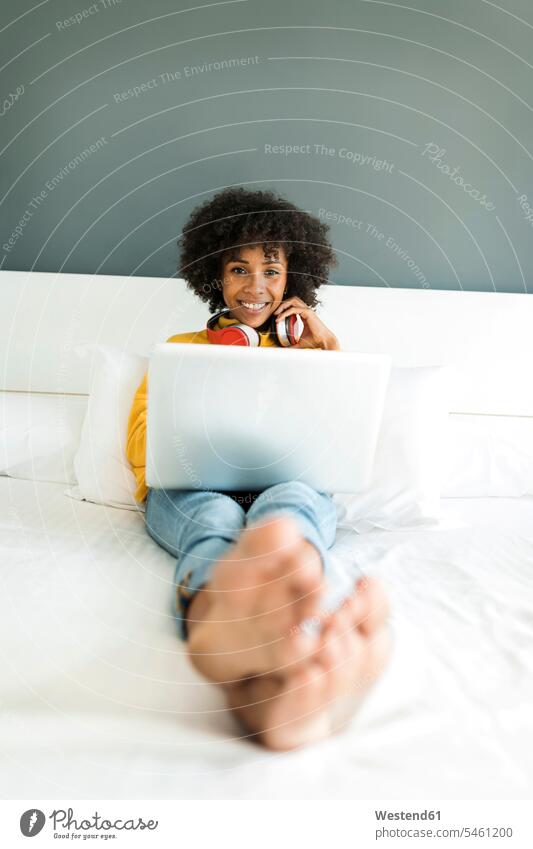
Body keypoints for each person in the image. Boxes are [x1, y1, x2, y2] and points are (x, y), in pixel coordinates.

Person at [126, 186, 390, 750]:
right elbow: (143, 447)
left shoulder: (310, 353)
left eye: (271, 270)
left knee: (290, 506)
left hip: (282, 484)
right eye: (239, 269)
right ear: (214, 276)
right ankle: (227, 625)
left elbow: (337, 443)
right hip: (190, 487)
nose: (256, 287)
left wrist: (326, 357)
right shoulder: (180, 349)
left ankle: (282, 631)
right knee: (213, 520)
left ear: (292, 278)